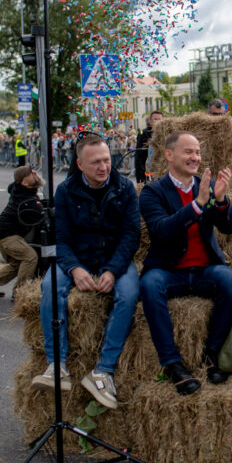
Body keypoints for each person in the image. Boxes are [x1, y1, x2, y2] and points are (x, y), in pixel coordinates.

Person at [31, 135, 141, 408]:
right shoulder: (66, 191)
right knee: (49, 286)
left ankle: (103, 370)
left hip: (114, 258)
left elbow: (131, 235)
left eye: (106, 159)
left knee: (129, 294)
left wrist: (113, 270)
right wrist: (75, 268)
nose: (103, 166)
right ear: (80, 164)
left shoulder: (125, 187)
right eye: (95, 162)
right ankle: (57, 364)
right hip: (78, 257)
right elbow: (62, 238)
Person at [138, 131, 232, 396]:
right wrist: (197, 205)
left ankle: (212, 356)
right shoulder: (153, 192)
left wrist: (220, 201)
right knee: (149, 285)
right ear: (169, 155)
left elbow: (229, 228)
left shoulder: (207, 185)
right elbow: (161, 230)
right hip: (169, 270)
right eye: (188, 152)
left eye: (197, 152)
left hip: (205, 269)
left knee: (230, 280)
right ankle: (173, 365)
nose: (195, 157)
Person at [0, 166, 43, 299]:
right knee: (30, 257)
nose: (35, 174)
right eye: (31, 174)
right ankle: (19, 292)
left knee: (17, 264)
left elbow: (13, 185)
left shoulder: (19, 189)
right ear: (24, 182)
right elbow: (39, 216)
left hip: (0, 232)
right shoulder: (26, 200)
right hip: (6, 235)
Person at [134, 110, 162, 184]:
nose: (157, 122)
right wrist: (140, 178)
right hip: (147, 170)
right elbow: (139, 157)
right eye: (155, 119)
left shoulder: (164, 134)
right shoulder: (143, 133)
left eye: (160, 120)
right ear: (150, 120)